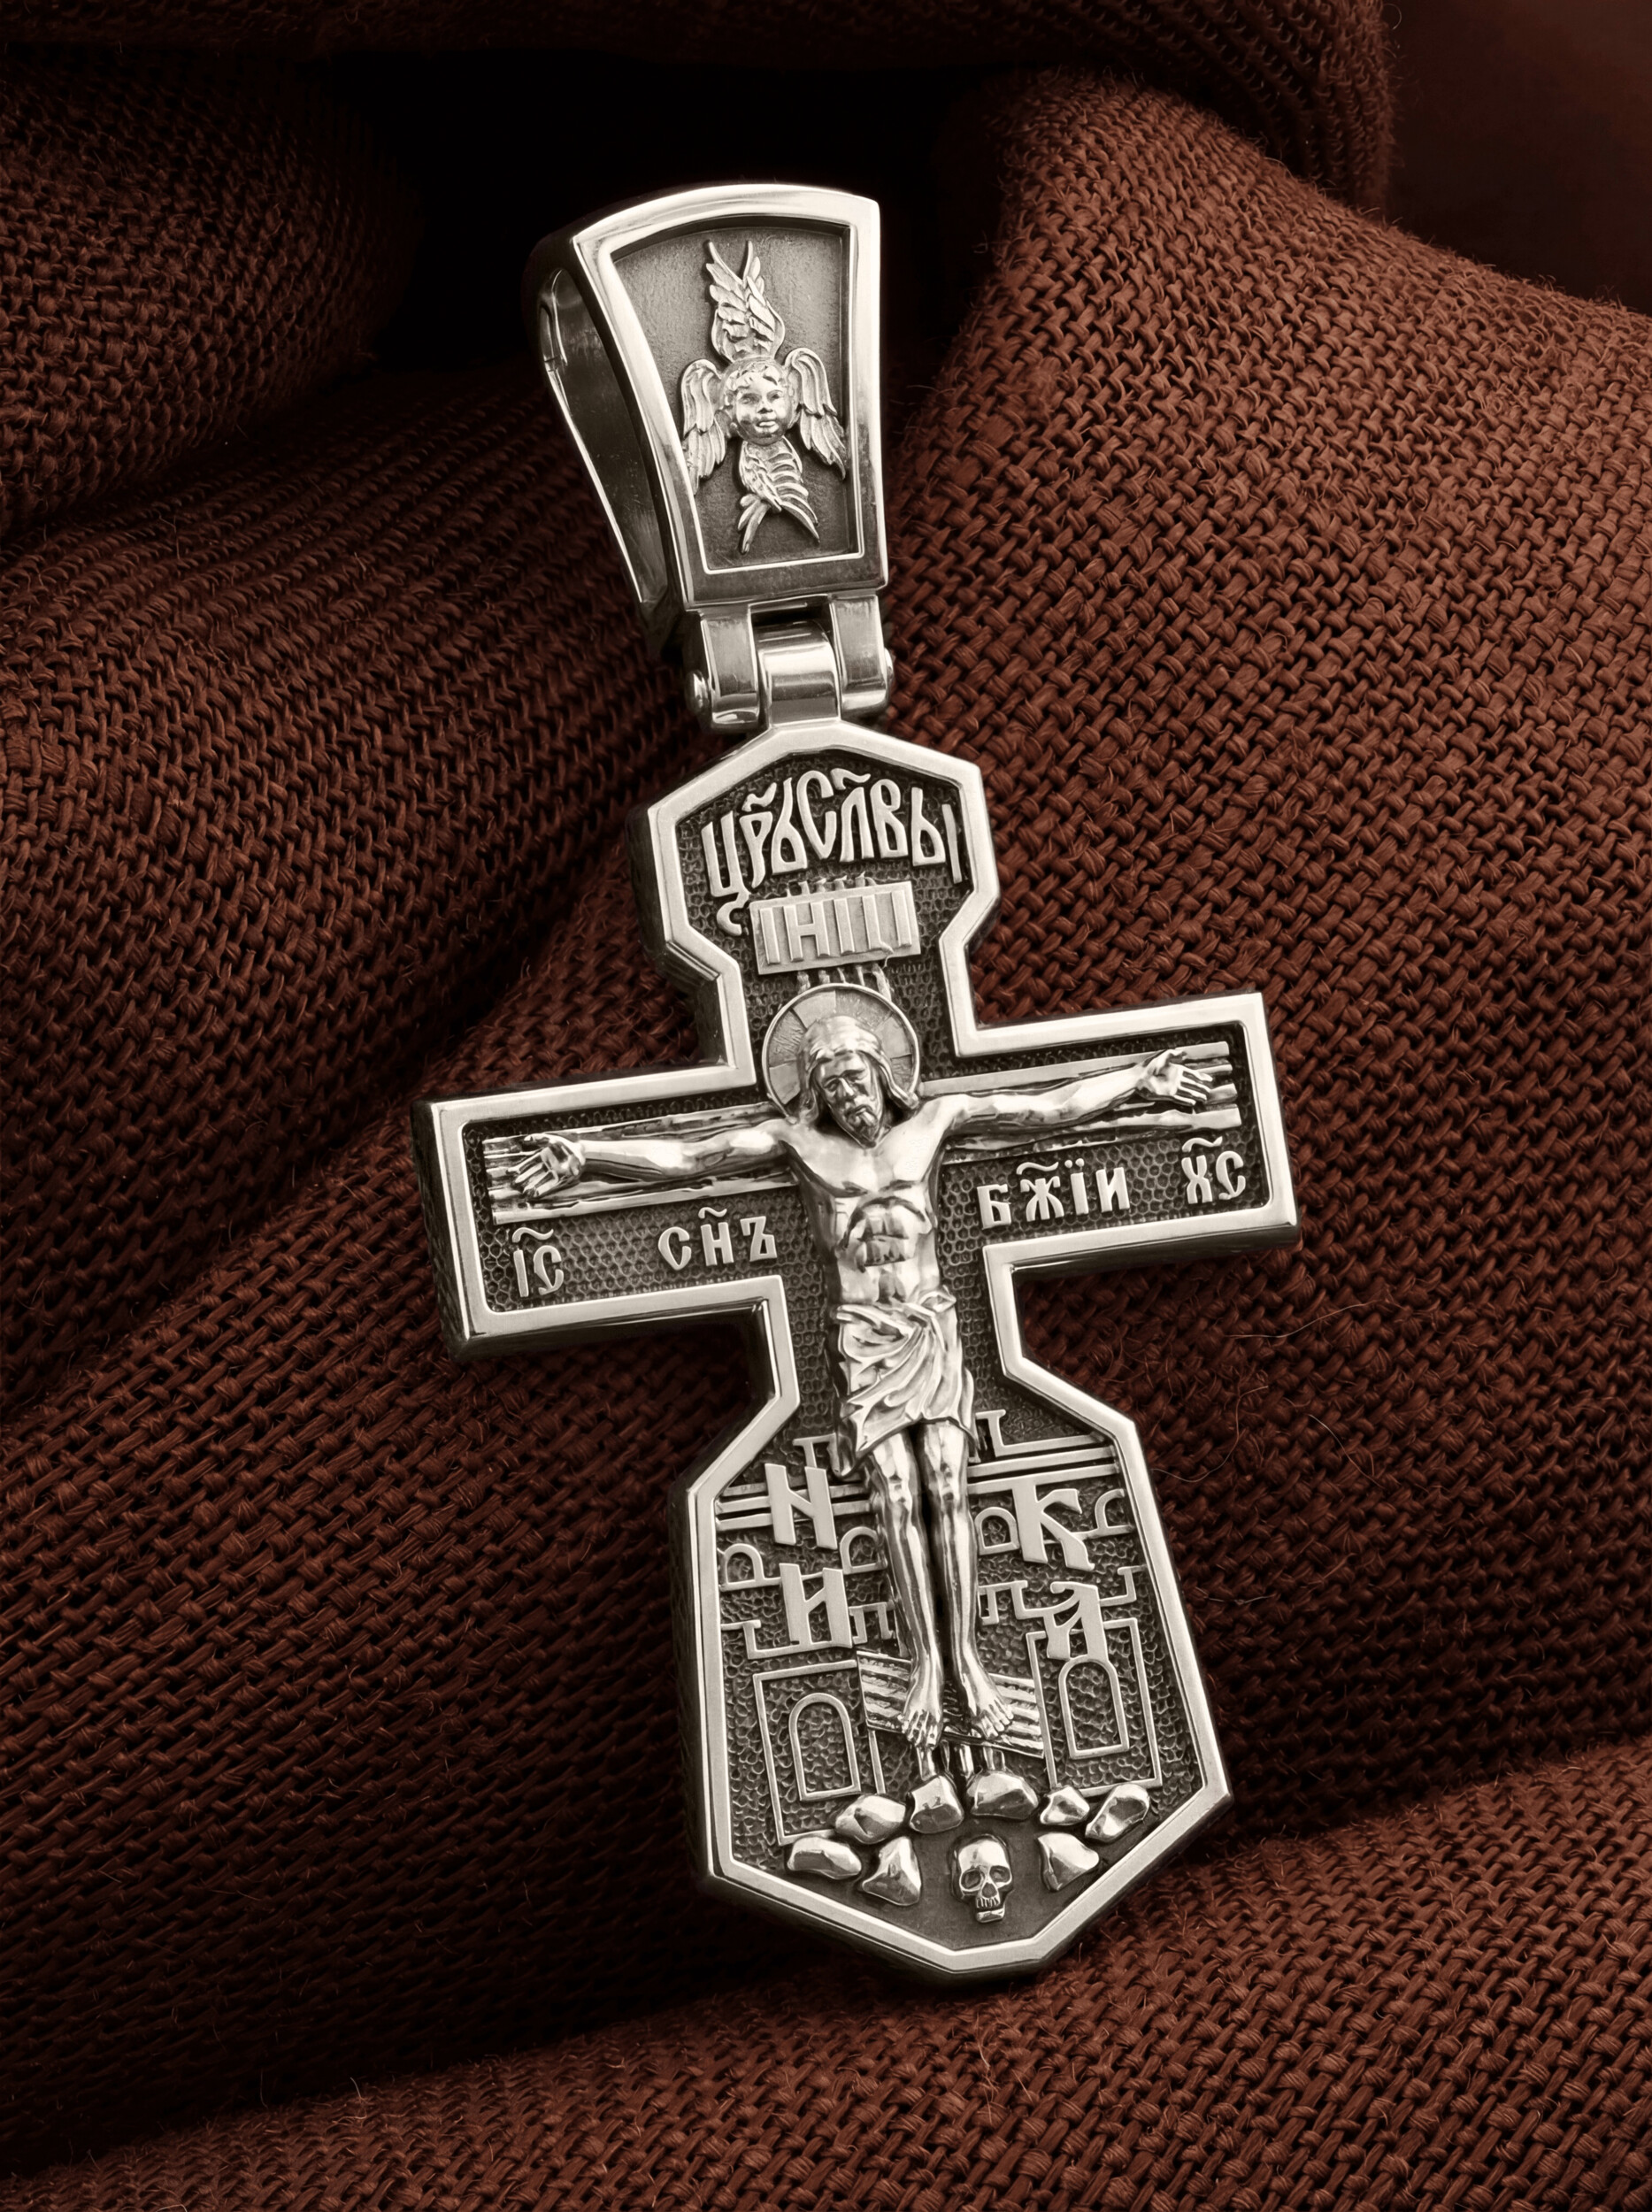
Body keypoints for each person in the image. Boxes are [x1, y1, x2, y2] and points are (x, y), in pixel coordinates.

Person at [516, 1004, 1210, 1750]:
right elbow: (692, 1157)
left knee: (949, 1486)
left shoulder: (935, 1119)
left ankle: (966, 1660)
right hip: (863, 1335)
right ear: (815, 1094)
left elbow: (1045, 1109)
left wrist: (1138, 1081)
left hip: (928, 1324)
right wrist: (587, 1155)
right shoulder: (797, 1143)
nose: (848, 1094)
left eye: (855, 1077)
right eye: (831, 1085)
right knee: (895, 1495)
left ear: (882, 1072)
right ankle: (924, 1665)